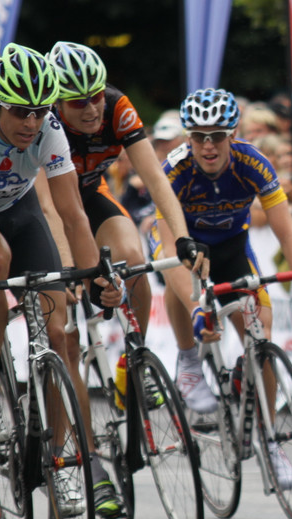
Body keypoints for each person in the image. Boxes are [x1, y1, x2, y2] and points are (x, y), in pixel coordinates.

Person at [0, 43, 124, 517]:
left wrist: (98, 281)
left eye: (40, 111)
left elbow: (73, 216)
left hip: (20, 209)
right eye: (20, 112)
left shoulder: (49, 129)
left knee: (60, 332)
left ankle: (63, 461)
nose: (32, 123)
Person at [154, 88, 292, 428]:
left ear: (233, 134)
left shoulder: (253, 163)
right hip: (184, 246)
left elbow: (287, 234)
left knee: (261, 335)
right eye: (199, 136)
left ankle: (268, 436)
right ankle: (189, 362)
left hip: (231, 245)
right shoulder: (174, 170)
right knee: (173, 266)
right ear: (188, 137)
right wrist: (198, 311)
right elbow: (170, 248)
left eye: (218, 136)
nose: (208, 145)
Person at [44, 41, 200, 337]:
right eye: (77, 102)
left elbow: (155, 178)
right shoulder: (45, 121)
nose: (91, 109)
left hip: (90, 194)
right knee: (66, 329)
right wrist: (67, 264)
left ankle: (138, 350)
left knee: (133, 260)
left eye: (96, 96)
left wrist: (183, 237)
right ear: (58, 103)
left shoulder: (116, 106)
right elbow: (48, 206)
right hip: (49, 208)